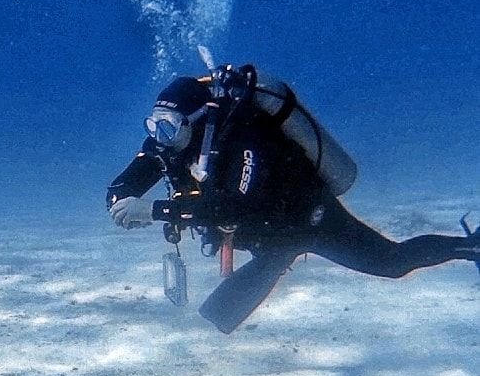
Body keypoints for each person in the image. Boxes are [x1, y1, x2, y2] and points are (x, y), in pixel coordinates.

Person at [106, 63, 480, 334]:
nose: (160, 136)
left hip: (307, 219)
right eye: (153, 125)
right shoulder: (169, 144)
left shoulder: (243, 139)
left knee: (391, 262)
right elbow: (121, 186)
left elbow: (232, 206)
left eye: (168, 126)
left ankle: (471, 246)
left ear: (199, 119)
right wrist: (121, 204)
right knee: (218, 319)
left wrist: (154, 210)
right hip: (265, 236)